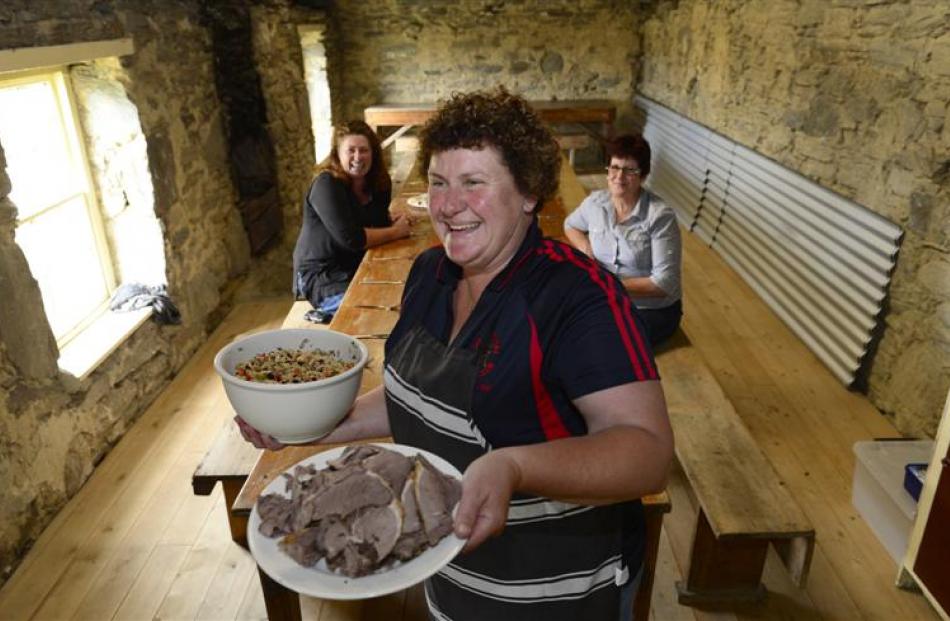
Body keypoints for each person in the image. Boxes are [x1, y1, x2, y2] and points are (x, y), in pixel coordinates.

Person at [240, 88, 673, 620]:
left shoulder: (578, 297)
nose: (448, 206)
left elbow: (648, 453)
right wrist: (310, 423)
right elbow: (414, 396)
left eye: (474, 183)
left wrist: (513, 466)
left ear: (529, 193)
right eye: (440, 183)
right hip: (448, 579)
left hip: (553, 594)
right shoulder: (429, 275)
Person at [563, 135, 682, 347]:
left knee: (602, 344)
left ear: (643, 175)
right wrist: (585, 247)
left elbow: (664, 283)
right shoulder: (595, 203)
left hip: (649, 309)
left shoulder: (660, 216)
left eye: (630, 170)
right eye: (614, 167)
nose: (619, 176)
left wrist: (609, 285)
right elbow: (570, 225)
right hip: (605, 298)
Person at [292, 120, 412, 323]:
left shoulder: (379, 183)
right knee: (375, 311)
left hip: (357, 265)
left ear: (373, 153)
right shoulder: (326, 185)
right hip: (322, 274)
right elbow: (352, 238)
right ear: (337, 154)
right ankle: (328, 313)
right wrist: (397, 231)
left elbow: (376, 223)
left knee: (407, 292)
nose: (358, 157)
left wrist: (390, 221)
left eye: (364, 150)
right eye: (351, 151)